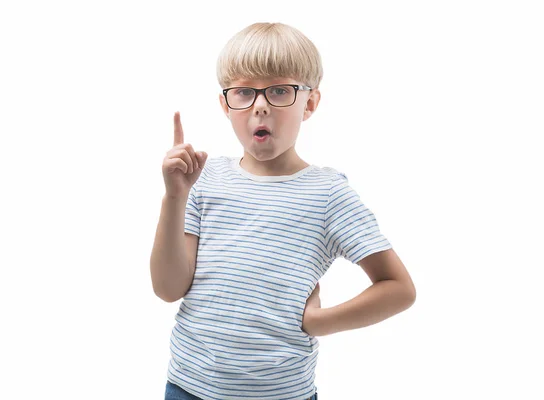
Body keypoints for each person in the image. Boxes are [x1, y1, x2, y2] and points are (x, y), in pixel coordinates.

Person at [150, 22, 416, 400]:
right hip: (187, 387)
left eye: (278, 90)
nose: (260, 105)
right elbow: (167, 288)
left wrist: (318, 322)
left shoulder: (328, 193)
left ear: (309, 103)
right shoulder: (204, 179)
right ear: (226, 105)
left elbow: (399, 288)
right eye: (244, 92)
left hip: (281, 393)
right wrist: (174, 197)